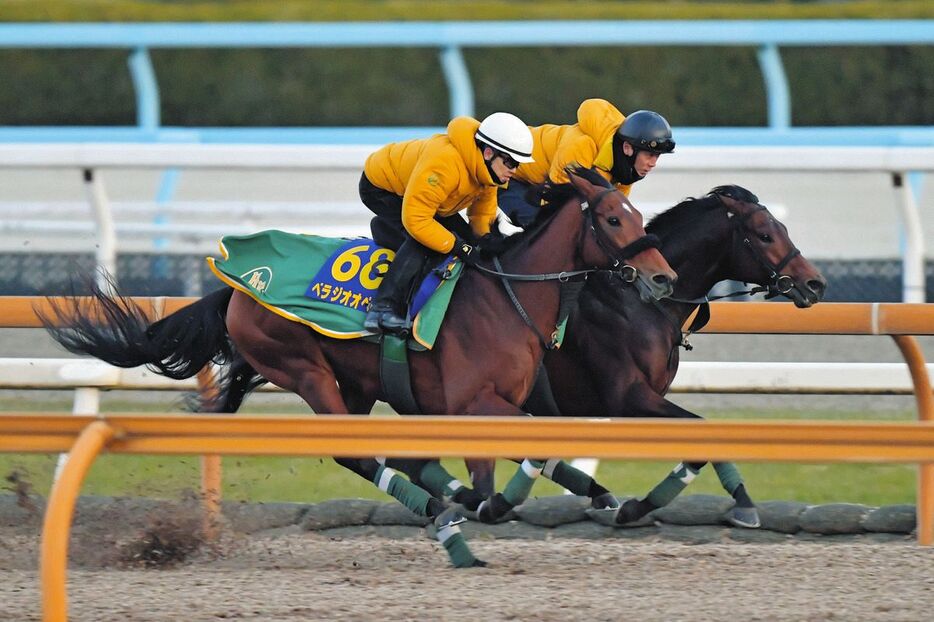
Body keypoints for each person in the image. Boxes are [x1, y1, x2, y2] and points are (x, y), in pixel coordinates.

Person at [360, 111, 534, 334]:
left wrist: (484, 246)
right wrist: (456, 245)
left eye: (518, 164)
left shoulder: (489, 174)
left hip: (434, 200)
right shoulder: (445, 163)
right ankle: (382, 308)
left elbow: (481, 218)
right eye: (510, 161)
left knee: (467, 243)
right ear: (488, 152)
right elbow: (418, 220)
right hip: (383, 189)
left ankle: (386, 229)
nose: (514, 170)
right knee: (425, 242)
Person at [498, 99, 675, 227]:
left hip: (537, 184)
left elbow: (614, 213)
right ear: (628, 148)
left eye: (657, 157)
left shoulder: (625, 170)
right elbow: (556, 206)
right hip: (507, 174)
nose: (653, 163)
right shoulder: (581, 146)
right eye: (649, 155)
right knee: (546, 228)